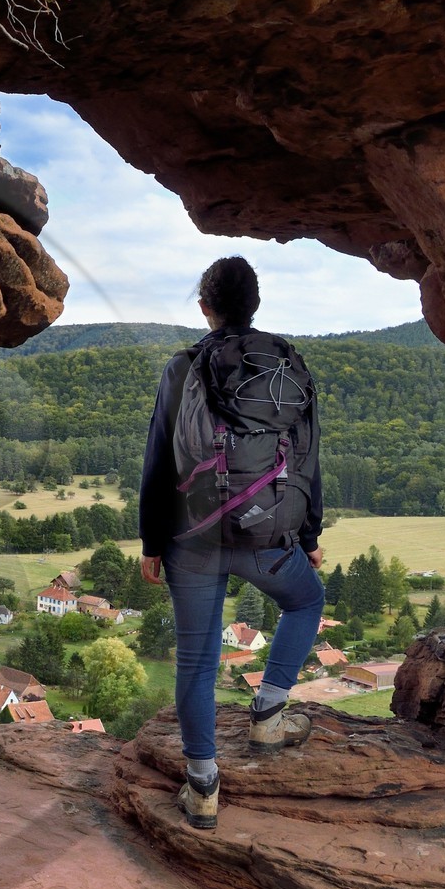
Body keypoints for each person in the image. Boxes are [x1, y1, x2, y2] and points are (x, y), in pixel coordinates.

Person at [138, 256, 325, 831]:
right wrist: (309, 533)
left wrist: (152, 542)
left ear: (204, 307)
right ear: (256, 305)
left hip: (192, 540)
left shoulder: (184, 366)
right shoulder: (286, 364)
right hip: (267, 531)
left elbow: (158, 460)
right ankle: (268, 712)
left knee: (197, 661)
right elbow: (310, 454)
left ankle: (202, 788)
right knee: (307, 599)